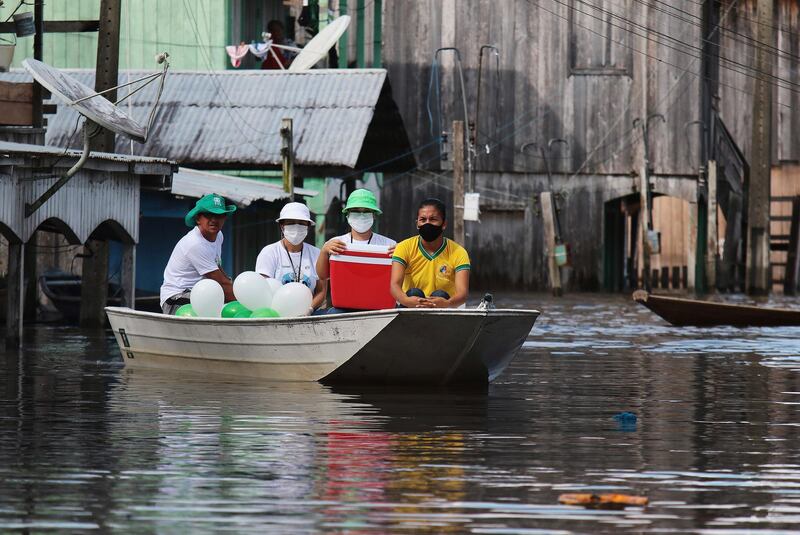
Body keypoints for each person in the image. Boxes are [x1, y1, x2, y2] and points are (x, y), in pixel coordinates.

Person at [316, 189, 396, 313]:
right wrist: (324, 251)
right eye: (356, 211)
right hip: (344, 306)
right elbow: (323, 276)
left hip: (379, 307)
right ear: (347, 214)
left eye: (366, 211)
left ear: (374, 215)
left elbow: (400, 278)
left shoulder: (389, 244)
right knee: (333, 313)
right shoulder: (336, 242)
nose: (361, 215)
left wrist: (400, 256)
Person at [160, 193, 237, 314]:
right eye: (208, 215)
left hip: (200, 294)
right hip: (175, 299)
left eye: (219, 215)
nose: (214, 220)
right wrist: (244, 303)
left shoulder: (219, 236)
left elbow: (219, 269)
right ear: (198, 219)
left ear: (225, 218)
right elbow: (220, 282)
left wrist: (230, 285)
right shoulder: (195, 244)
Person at [390, 198, 471, 308]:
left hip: (443, 308)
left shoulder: (459, 252)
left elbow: (463, 293)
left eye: (433, 219)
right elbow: (394, 285)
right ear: (417, 224)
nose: (427, 223)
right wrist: (407, 301)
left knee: (440, 294)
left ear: (444, 224)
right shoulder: (404, 247)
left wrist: (447, 303)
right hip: (410, 306)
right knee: (414, 293)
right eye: (423, 220)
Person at [255, 202, 326, 313]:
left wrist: (309, 309)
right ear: (282, 226)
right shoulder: (269, 252)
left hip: (308, 315)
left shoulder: (316, 254)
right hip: (275, 314)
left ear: (308, 226)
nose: (297, 227)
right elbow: (263, 290)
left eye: (301, 223)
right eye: (291, 223)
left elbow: (321, 291)